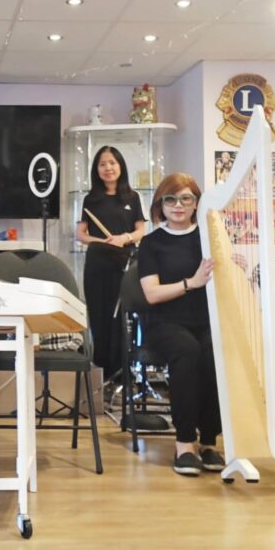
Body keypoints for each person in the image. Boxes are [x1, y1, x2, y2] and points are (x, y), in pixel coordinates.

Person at [136, 172, 223, 477]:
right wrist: (191, 283)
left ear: (196, 203)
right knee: (188, 351)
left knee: (214, 351)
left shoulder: (209, 240)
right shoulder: (151, 243)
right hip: (164, 323)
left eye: (186, 198)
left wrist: (233, 267)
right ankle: (185, 443)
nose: (178, 205)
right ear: (161, 205)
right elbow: (152, 294)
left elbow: (220, 281)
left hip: (203, 320)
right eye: (171, 199)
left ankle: (209, 441)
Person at [75, 146, 146, 381]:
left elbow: (141, 230)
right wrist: (103, 241)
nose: (108, 168)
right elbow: (81, 234)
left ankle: (122, 371)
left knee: (122, 317)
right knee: (99, 316)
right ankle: (102, 372)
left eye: (112, 163)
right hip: (97, 263)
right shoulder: (90, 199)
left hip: (125, 263)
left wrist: (124, 238)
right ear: (96, 169)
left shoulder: (132, 197)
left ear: (120, 166)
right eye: (103, 164)